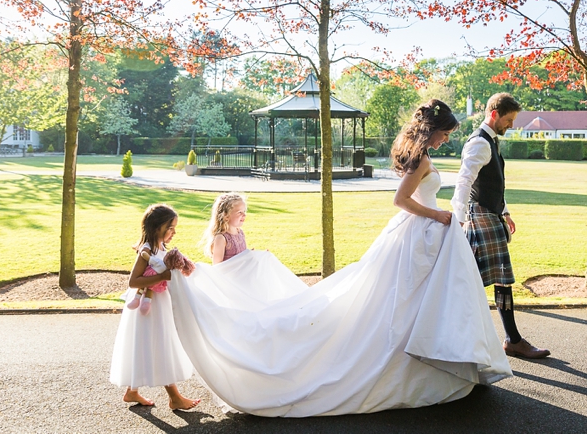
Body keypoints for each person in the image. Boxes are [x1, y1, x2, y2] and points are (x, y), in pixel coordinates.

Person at [167, 99, 511, 417]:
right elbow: (401, 200)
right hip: (419, 231)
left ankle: (428, 360)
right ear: (432, 130)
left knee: (416, 303)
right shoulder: (420, 159)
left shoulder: (421, 156)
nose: (445, 140)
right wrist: (436, 216)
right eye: (445, 134)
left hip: (423, 235)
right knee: (397, 303)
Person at [451, 93, 551, 359]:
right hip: (479, 215)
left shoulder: (489, 141)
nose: (511, 125)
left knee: (491, 279)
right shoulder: (479, 144)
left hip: (489, 213)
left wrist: (505, 212)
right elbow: (463, 182)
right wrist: (458, 219)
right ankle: (506, 340)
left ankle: (509, 339)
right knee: (490, 279)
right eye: (508, 120)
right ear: (494, 114)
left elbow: (491, 183)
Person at [109, 204, 201, 410]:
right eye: (171, 227)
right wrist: (162, 276)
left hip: (159, 303)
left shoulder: (162, 248)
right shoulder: (147, 250)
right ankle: (175, 398)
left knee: (149, 345)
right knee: (160, 345)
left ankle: (132, 391)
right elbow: (133, 281)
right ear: (158, 227)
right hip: (147, 307)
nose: (174, 232)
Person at [200, 193, 248, 264]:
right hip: (229, 274)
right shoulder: (221, 238)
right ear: (226, 216)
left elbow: (243, 257)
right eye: (239, 212)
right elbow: (218, 267)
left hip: (242, 274)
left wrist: (250, 255)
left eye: (244, 211)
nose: (244, 215)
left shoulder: (240, 233)